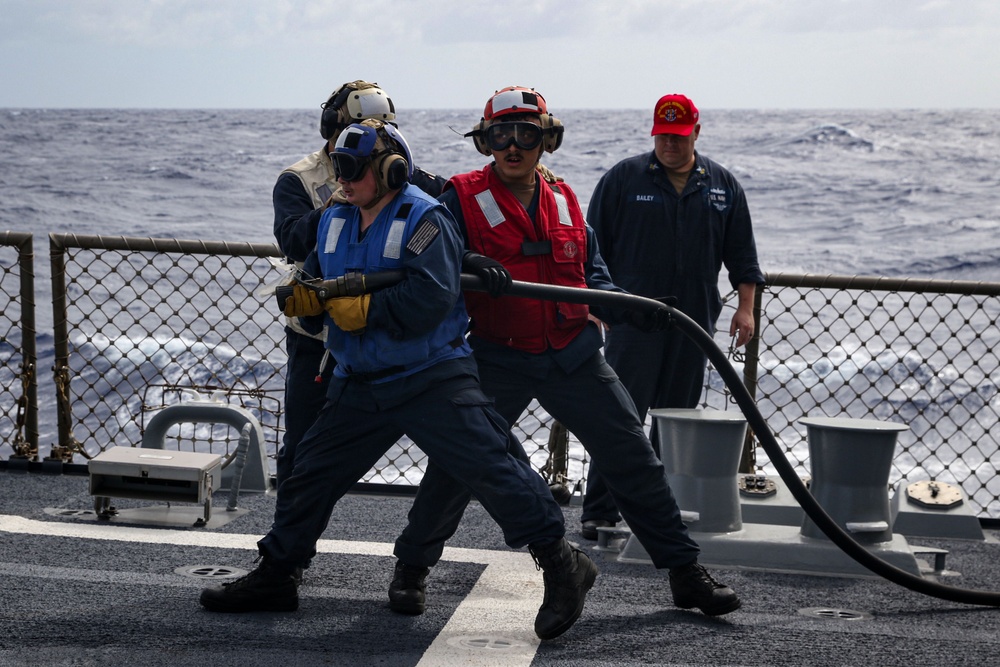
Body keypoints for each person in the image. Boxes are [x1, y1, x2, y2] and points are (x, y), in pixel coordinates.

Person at [201, 119, 597, 642]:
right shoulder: (335, 219)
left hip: (430, 378)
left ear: (389, 170)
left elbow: (431, 299)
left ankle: (563, 563)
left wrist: (365, 309)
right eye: (337, 167)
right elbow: (320, 284)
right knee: (307, 476)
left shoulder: (424, 218)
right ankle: (279, 574)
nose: (341, 179)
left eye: (351, 169)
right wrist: (311, 305)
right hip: (360, 381)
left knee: (495, 471)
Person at [389, 86, 741, 620]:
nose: (513, 146)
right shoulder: (458, 198)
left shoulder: (564, 197)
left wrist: (632, 307)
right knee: (459, 465)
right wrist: (466, 261)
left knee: (633, 459)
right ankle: (412, 569)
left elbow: (592, 277)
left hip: (574, 355)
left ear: (545, 140)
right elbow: (421, 252)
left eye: (526, 134)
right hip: (497, 356)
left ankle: (685, 573)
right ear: (485, 143)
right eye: (502, 135)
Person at [581, 93, 765, 539]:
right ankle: (599, 511)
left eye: (679, 137)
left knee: (676, 421)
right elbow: (588, 247)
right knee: (620, 417)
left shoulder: (722, 186)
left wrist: (746, 308)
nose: (670, 145)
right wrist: (589, 306)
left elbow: (743, 257)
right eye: (663, 136)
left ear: (696, 134)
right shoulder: (623, 178)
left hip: (694, 326)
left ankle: (660, 512)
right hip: (631, 323)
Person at [271, 80, 446, 488]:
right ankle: (288, 530)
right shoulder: (298, 179)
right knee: (303, 443)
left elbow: (448, 208)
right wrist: (342, 200)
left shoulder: (403, 173)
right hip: (318, 335)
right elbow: (293, 239)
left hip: (387, 332)